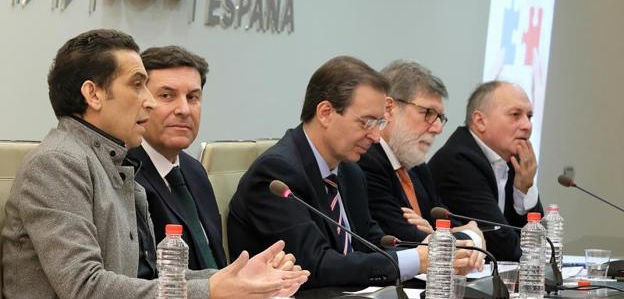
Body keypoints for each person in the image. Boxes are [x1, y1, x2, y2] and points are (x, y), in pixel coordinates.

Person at [1, 29, 308, 299]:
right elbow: (85, 288)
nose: (148, 101)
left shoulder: (112, 162)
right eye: (137, 85)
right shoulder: (57, 163)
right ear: (93, 94)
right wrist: (213, 290)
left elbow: (146, 279)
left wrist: (236, 278)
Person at [227, 56, 478, 288]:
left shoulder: (349, 173)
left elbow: (373, 241)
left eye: (379, 123)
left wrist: (427, 249)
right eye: (367, 122)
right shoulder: (278, 174)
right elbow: (315, 265)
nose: (376, 136)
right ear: (325, 113)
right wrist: (418, 259)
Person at [358, 60, 484, 254]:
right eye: (428, 113)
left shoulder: (418, 168)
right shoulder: (367, 161)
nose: (438, 128)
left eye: (440, 117)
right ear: (389, 109)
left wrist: (434, 233)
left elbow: (447, 224)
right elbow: (402, 239)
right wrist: (472, 237)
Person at [129, 46, 226, 270]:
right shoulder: (125, 172)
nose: (184, 109)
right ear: (140, 101)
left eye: (192, 97)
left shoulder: (195, 171)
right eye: (167, 96)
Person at [429, 80, 543, 261]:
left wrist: (524, 190)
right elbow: (502, 248)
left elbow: (540, 244)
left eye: (529, 116)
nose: (527, 125)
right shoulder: (458, 161)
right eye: (515, 115)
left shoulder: (513, 159)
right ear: (480, 121)